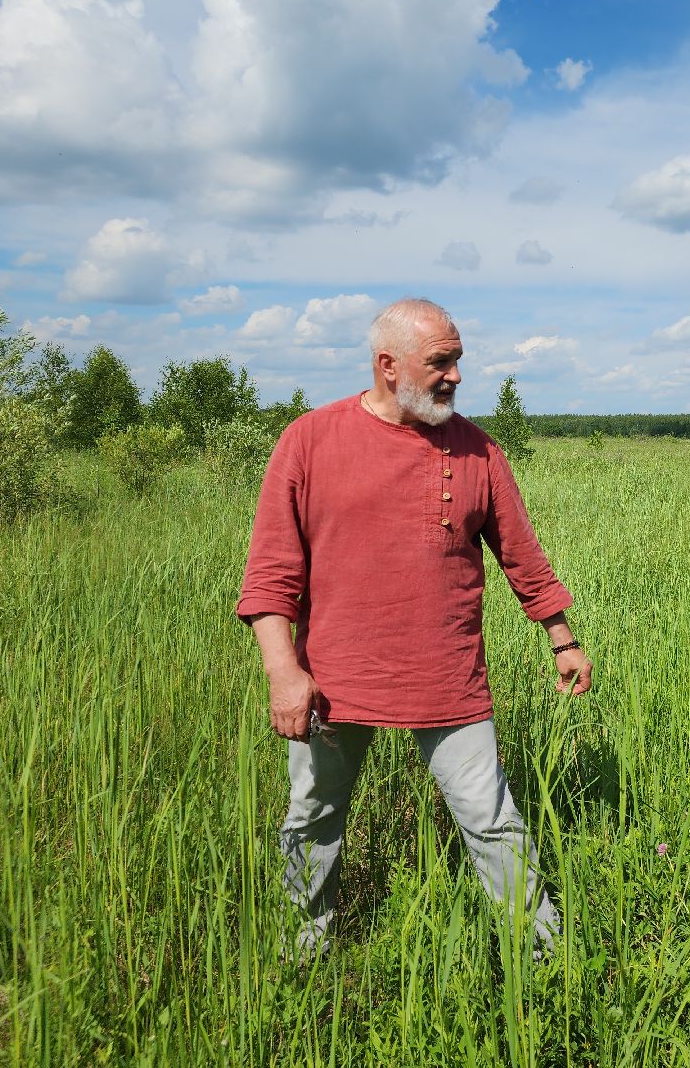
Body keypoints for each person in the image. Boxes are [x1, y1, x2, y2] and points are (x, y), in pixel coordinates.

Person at [237, 297, 592, 958]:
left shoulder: (478, 450)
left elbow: (523, 555)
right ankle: (302, 948)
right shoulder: (310, 440)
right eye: (441, 362)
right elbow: (271, 573)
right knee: (312, 817)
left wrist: (562, 638)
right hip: (332, 680)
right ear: (387, 365)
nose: (456, 376)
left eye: (458, 360)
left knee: (492, 821)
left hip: (446, 675)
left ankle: (548, 957)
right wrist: (283, 671)